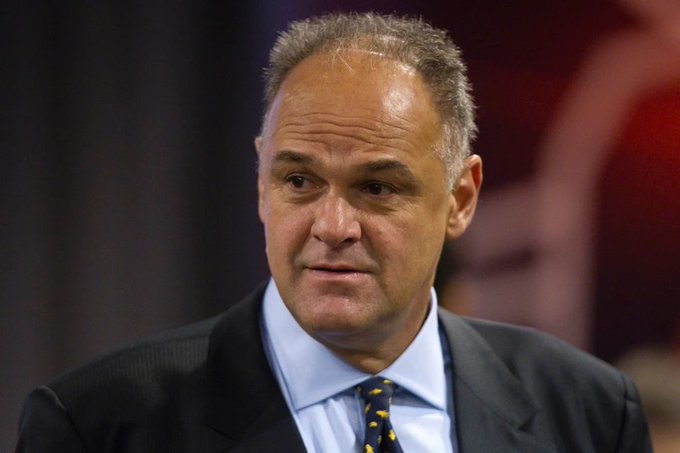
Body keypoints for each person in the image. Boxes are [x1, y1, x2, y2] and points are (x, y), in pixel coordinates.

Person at [16, 12, 651, 452]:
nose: (333, 226)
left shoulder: (589, 411)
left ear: (460, 199)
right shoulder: (101, 425)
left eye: (377, 188)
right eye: (298, 181)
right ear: (260, 182)